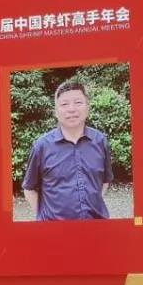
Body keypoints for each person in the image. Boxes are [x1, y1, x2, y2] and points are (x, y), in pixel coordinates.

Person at [22, 80, 114, 221]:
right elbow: (29, 188)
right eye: (64, 104)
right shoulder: (42, 146)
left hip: (96, 225)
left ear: (87, 108)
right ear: (56, 112)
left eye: (78, 102)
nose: (71, 109)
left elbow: (105, 181)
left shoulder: (100, 141)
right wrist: (44, 218)